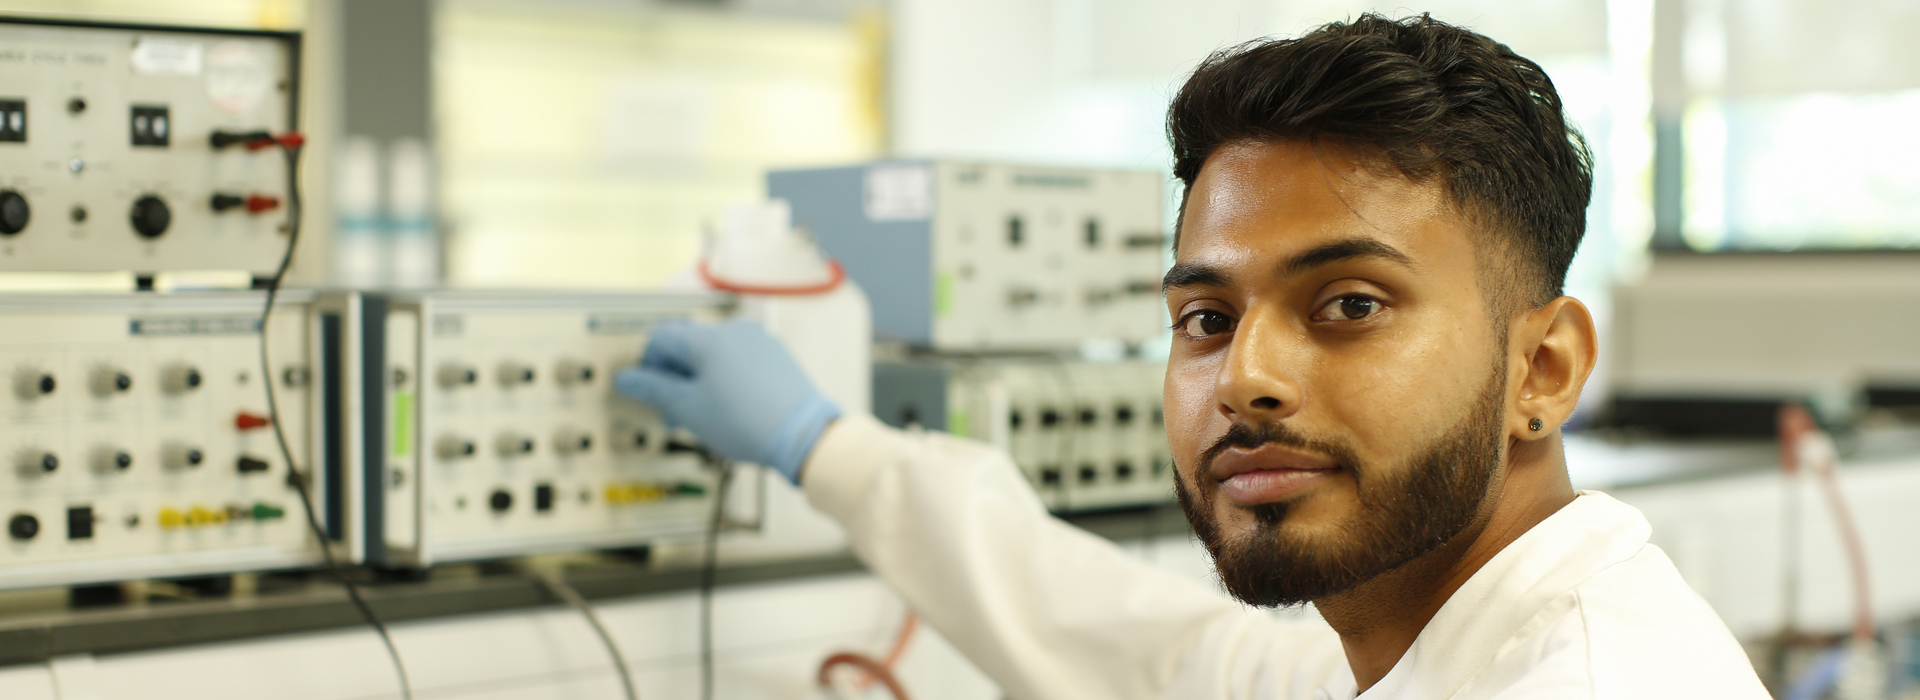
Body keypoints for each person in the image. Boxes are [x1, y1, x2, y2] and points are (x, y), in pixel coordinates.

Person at [617, 13, 1770, 700]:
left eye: (1351, 303)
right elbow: (1159, 655)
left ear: (1546, 369)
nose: (1245, 377)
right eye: (1206, 318)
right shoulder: (1414, 644)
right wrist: (821, 445)